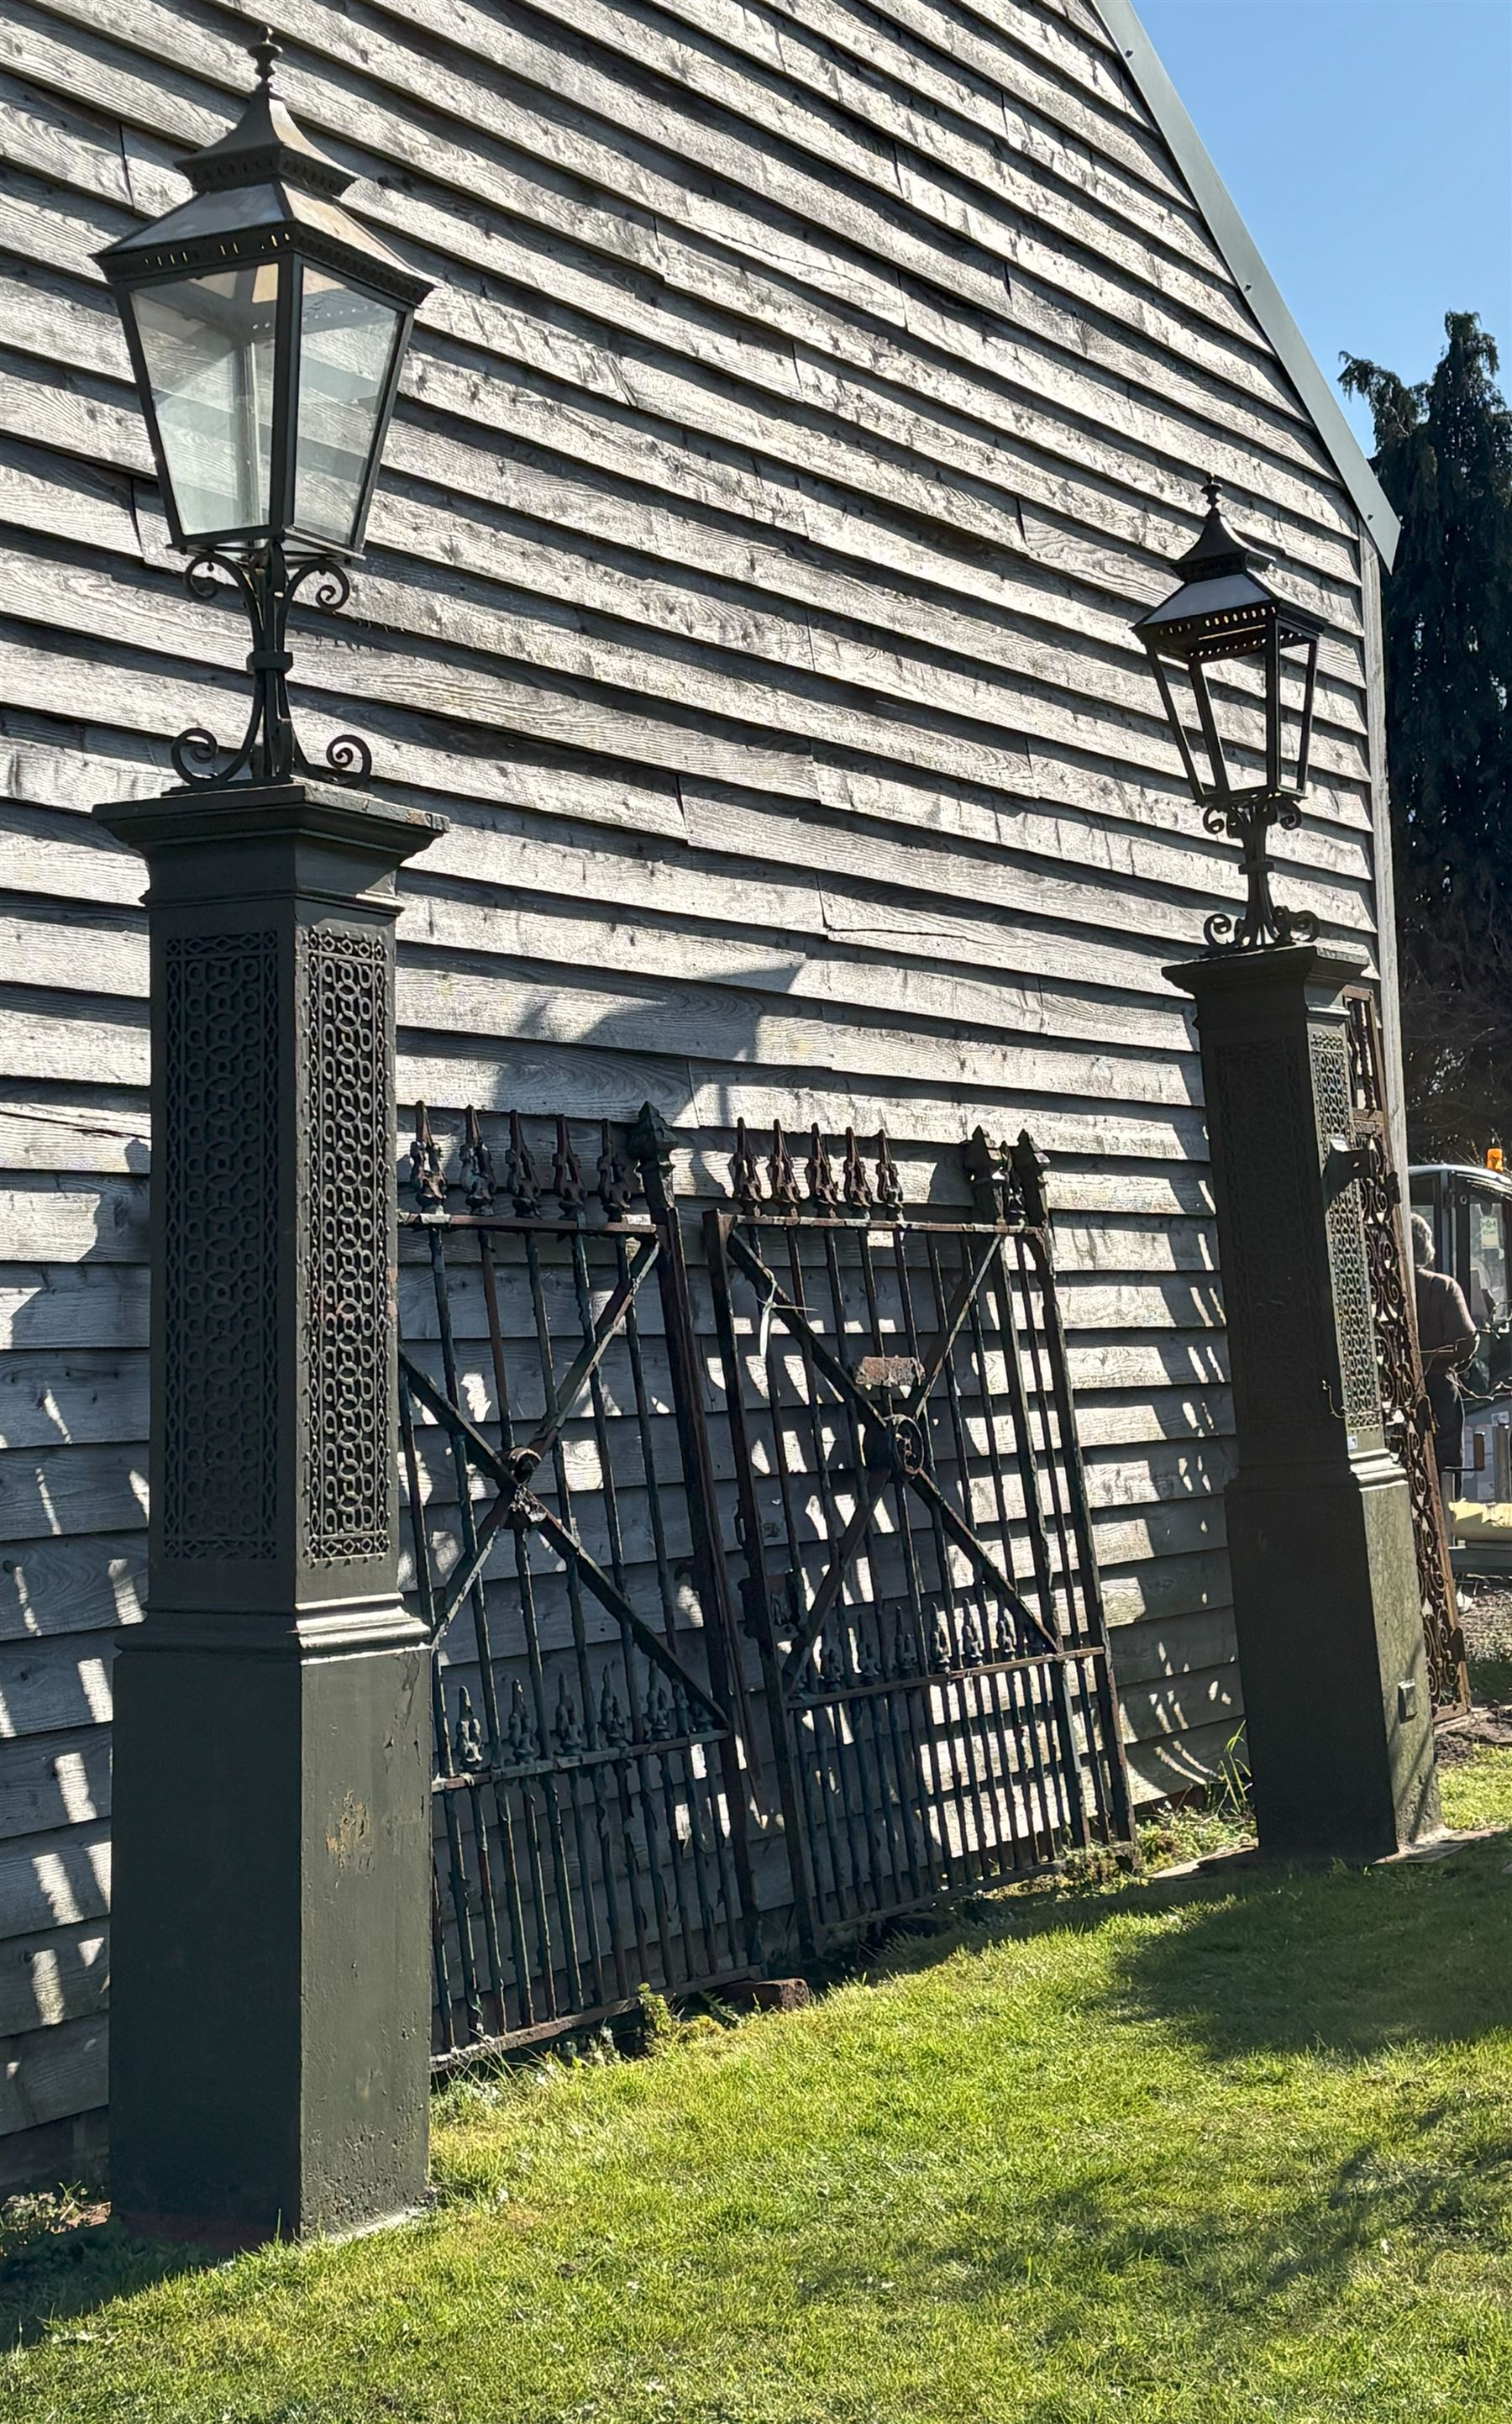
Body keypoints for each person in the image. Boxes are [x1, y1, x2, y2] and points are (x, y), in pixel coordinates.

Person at [1411, 1212, 1478, 1481]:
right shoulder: (1442, 1287)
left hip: (1393, 1393)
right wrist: (1443, 1362)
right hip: (1438, 1389)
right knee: (1445, 1470)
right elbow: (1466, 1341)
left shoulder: (1377, 1286)